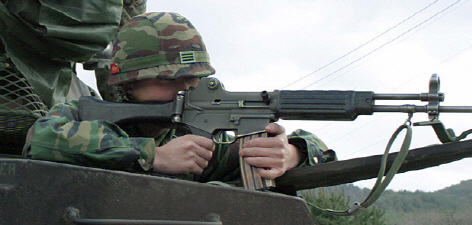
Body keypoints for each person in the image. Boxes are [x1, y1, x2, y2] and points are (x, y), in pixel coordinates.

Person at [24, 12, 335, 185]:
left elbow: (320, 150)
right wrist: (154, 155)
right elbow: (41, 139)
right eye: (166, 80)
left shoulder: (199, 139)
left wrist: (291, 153)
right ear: (128, 85)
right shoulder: (85, 115)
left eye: (191, 79)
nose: (184, 89)